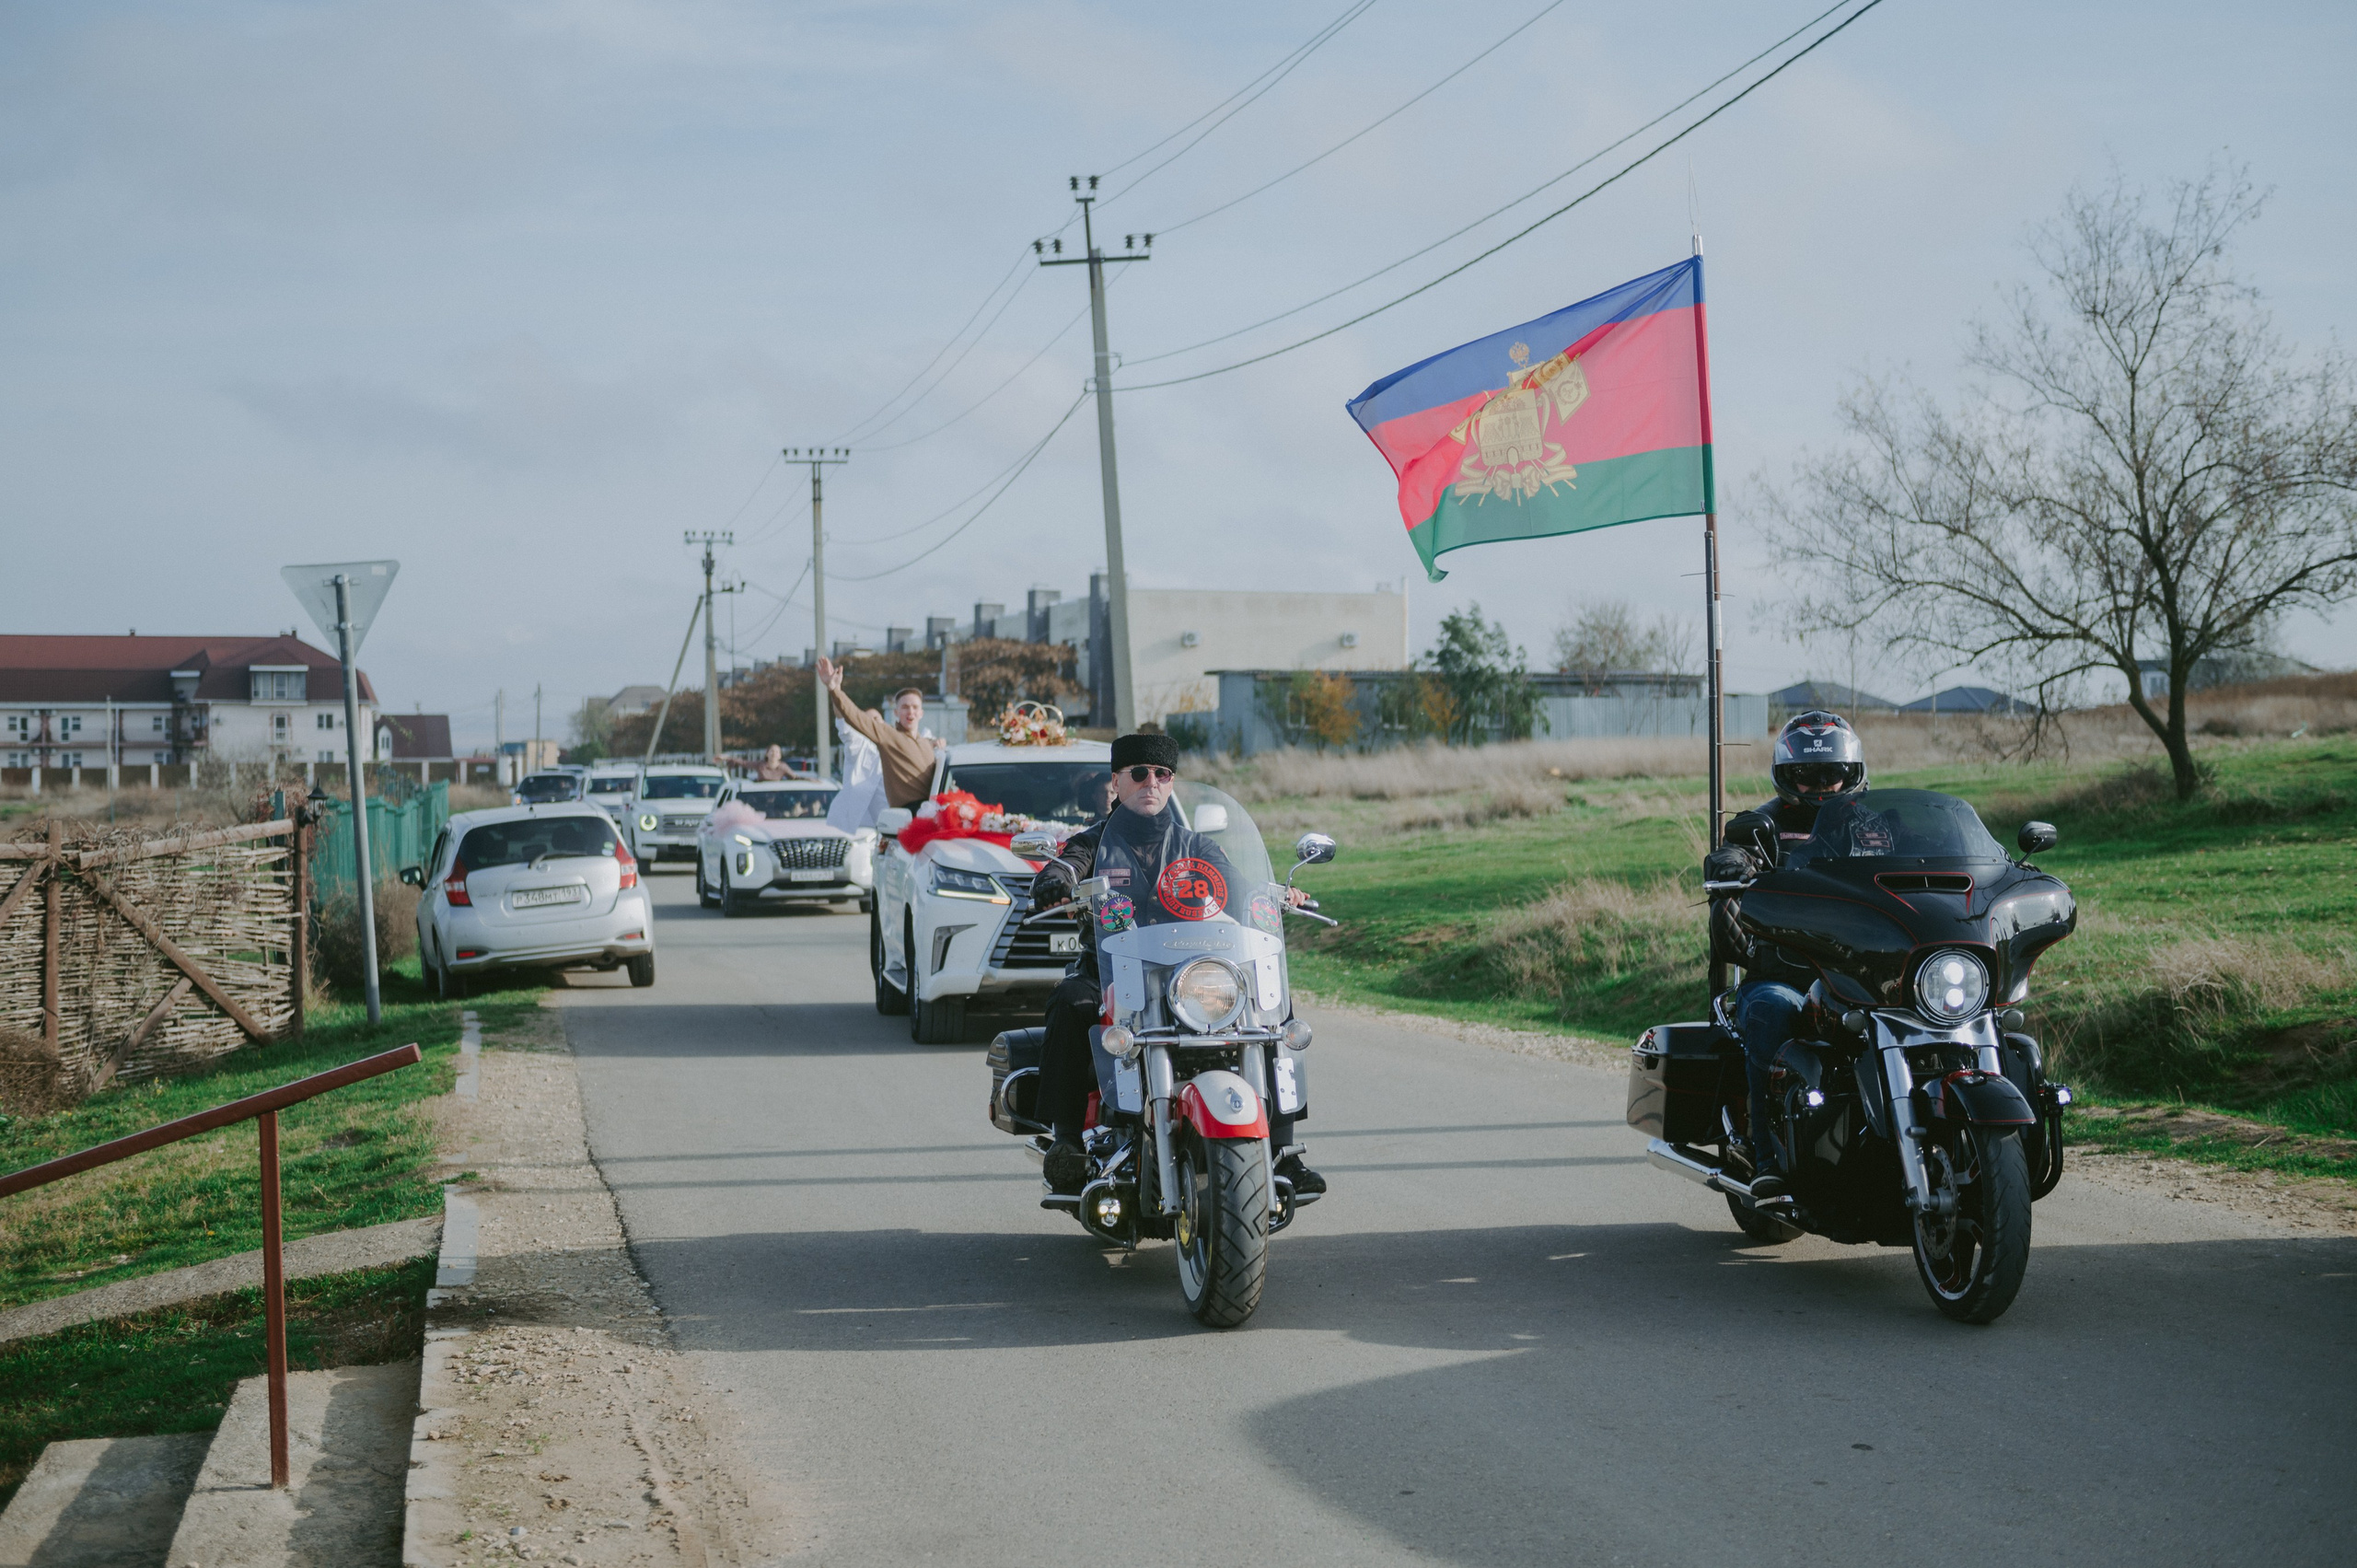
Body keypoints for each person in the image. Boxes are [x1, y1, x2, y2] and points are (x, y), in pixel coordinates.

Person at [1029, 732, 1322, 1199]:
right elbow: (1067, 865)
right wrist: (1055, 880)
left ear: (1171, 783)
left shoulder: (1195, 846)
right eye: (1139, 773)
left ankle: (1284, 1150)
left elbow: (1239, 887)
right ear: (1116, 782)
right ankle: (1066, 1141)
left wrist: (1275, 897)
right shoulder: (1093, 842)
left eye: (1162, 774)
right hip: (1111, 971)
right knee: (1070, 1000)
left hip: (1186, 976)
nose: (1151, 782)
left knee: (1270, 1003)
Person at [1703, 710, 1870, 1199]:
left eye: (1831, 773)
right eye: (1807, 774)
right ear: (1786, 774)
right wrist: (1732, 864)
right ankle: (1767, 1156)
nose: (1820, 785)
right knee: (1771, 1010)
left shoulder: (1875, 826)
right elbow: (1734, 853)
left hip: (1865, 978)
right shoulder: (1763, 827)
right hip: (1786, 975)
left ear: (1851, 772)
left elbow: (1924, 856)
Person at [814, 659, 944, 809]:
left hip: (934, 813)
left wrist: (939, 745)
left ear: (921, 713)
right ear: (896, 712)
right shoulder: (889, 736)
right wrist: (834, 689)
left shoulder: (927, 744)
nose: (910, 712)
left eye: (915, 707)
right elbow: (855, 716)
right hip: (907, 816)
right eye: (905, 707)